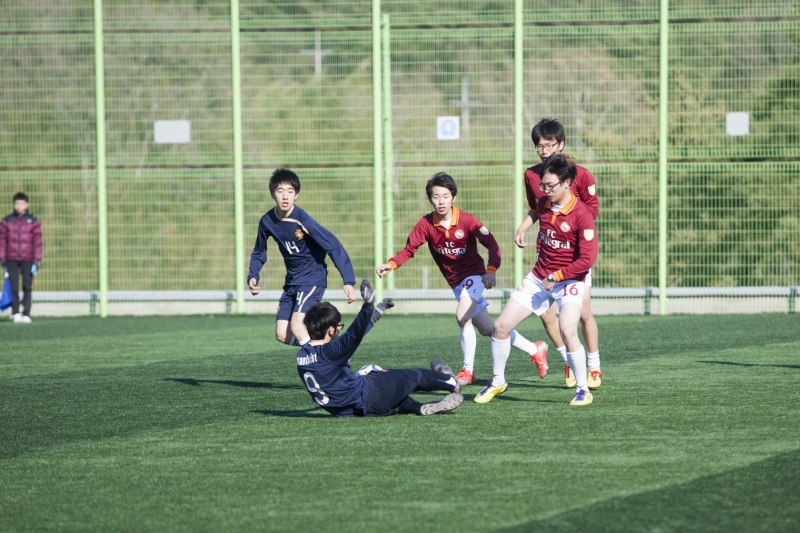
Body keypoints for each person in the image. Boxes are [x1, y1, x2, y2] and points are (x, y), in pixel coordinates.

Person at [376, 172, 548, 386]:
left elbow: (492, 243)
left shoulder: (467, 220)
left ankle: (467, 370)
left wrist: (491, 270)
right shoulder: (426, 224)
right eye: (436, 196)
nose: (441, 201)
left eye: (445, 196)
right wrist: (391, 264)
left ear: (453, 198)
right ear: (430, 198)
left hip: (474, 276)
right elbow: (410, 249)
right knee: (488, 329)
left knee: (461, 317)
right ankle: (535, 349)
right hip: (456, 283)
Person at [479, 154, 598, 405]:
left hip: (569, 281)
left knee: (567, 329)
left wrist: (558, 275)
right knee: (500, 327)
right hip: (539, 277)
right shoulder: (544, 204)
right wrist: (522, 229)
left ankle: (582, 389)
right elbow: (534, 210)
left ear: (566, 183)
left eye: (550, 185)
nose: (544, 190)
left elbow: (587, 261)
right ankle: (498, 381)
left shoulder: (582, 215)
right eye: (543, 185)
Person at [518, 118, 603, 390]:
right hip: (547, 256)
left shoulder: (580, 173)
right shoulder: (531, 175)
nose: (543, 151)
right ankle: (568, 359)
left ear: (561, 144)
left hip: (575, 257)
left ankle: (594, 366)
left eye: (549, 145)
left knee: (583, 313)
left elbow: (592, 207)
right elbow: (537, 209)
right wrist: (523, 227)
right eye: (538, 146)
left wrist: (571, 226)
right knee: (545, 314)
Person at [296, 280, 464, 417]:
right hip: (372, 393)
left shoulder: (302, 356)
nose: (340, 329)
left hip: (359, 411)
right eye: (339, 326)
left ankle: (419, 408)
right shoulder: (330, 352)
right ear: (330, 330)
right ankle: (450, 381)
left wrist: (373, 317)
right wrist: (368, 307)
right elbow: (352, 336)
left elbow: (349, 341)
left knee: (381, 385)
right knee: (414, 376)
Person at [248, 168, 356, 346]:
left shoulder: (302, 220)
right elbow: (259, 251)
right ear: (272, 193)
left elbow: (333, 245)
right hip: (292, 281)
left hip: (312, 278)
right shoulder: (267, 221)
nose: (285, 196)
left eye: (290, 191)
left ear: (296, 195)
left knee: (298, 326)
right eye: (280, 191)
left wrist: (348, 281)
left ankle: (320, 360)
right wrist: (253, 275)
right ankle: (329, 348)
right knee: (282, 334)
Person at [0, 192, 42, 323]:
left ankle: (26, 313)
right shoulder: (6, 221)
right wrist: (2, 258)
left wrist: (37, 259)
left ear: (26, 204)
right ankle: (15, 312)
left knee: (27, 285)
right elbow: (2, 240)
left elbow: (38, 241)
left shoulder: (33, 221)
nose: (19, 206)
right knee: (13, 286)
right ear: (14, 204)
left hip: (28, 258)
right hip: (11, 258)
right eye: (17, 203)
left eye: (22, 203)